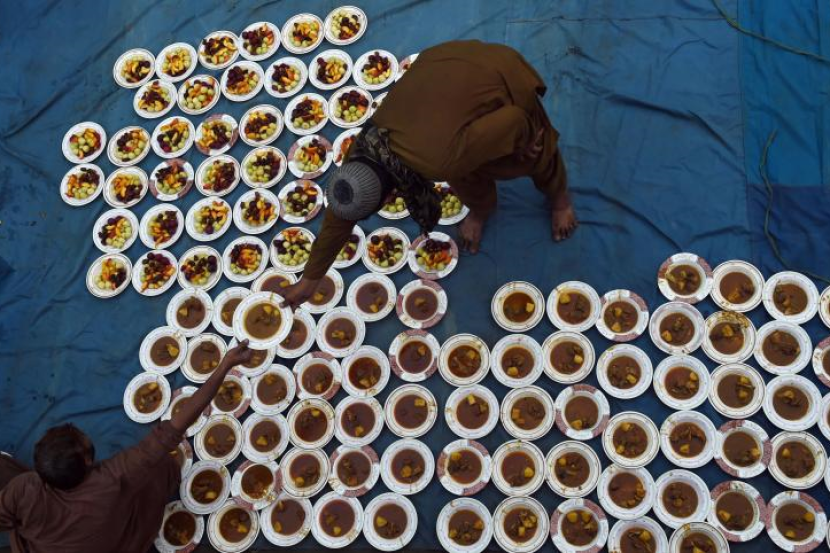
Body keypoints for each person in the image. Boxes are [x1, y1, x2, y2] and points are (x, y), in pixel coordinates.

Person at [280, 39, 577, 308]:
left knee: (532, 156)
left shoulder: (436, 160)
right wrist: (310, 279)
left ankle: (560, 200)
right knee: (465, 168)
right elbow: (340, 217)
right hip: (441, 65)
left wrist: (526, 138)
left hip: (494, 73)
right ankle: (481, 210)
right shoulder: (364, 150)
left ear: (390, 195)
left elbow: (513, 120)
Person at [0, 341, 254, 553]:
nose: (80, 431)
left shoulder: (23, 490)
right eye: (79, 436)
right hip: (119, 542)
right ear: (87, 460)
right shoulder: (112, 480)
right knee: (163, 466)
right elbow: (178, 424)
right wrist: (226, 365)